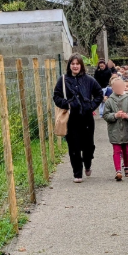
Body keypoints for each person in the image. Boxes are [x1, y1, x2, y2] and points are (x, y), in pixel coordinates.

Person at [53, 54, 103, 183]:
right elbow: (56, 96)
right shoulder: (63, 80)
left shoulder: (89, 80)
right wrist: (67, 104)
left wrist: (91, 106)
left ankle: (88, 163)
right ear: (69, 65)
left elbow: (99, 94)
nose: (75, 66)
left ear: (81, 65)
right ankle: (77, 173)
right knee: (74, 147)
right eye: (73, 64)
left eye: (77, 64)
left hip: (86, 119)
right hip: (71, 119)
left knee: (88, 146)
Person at [103, 77, 128, 181]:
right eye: (116, 87)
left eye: (120, 86)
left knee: (126, 149)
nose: (118, 88)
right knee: (116, 150)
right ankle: (118, 171)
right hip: (114, 129)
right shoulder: (109, 101)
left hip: (126, 128)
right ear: (112, 88)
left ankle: (126, 166)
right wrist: (115, 115)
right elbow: (105, 115)